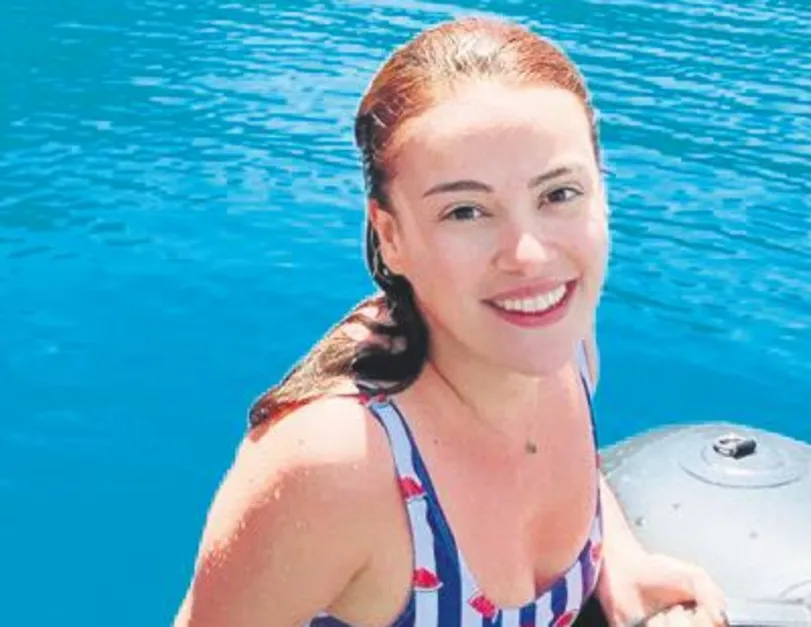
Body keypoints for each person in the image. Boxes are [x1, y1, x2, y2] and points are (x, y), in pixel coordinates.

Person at [172, 15, 728, 627]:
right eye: (466, 211)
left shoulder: (558, 341)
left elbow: (563, 469)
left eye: (558, 194)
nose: (529, 256)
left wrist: (616, 558)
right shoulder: (338, 468)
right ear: (391, 237)